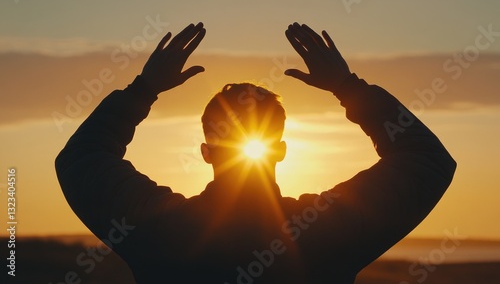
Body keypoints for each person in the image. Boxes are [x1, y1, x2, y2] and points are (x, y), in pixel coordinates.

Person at [55, 22, 456, 283]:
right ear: (280, 150)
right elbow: (425, 161)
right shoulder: (329, 229)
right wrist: (349, 88)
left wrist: (143, 90)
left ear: (206, 153)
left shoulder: (156, 229)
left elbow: (83, 158)